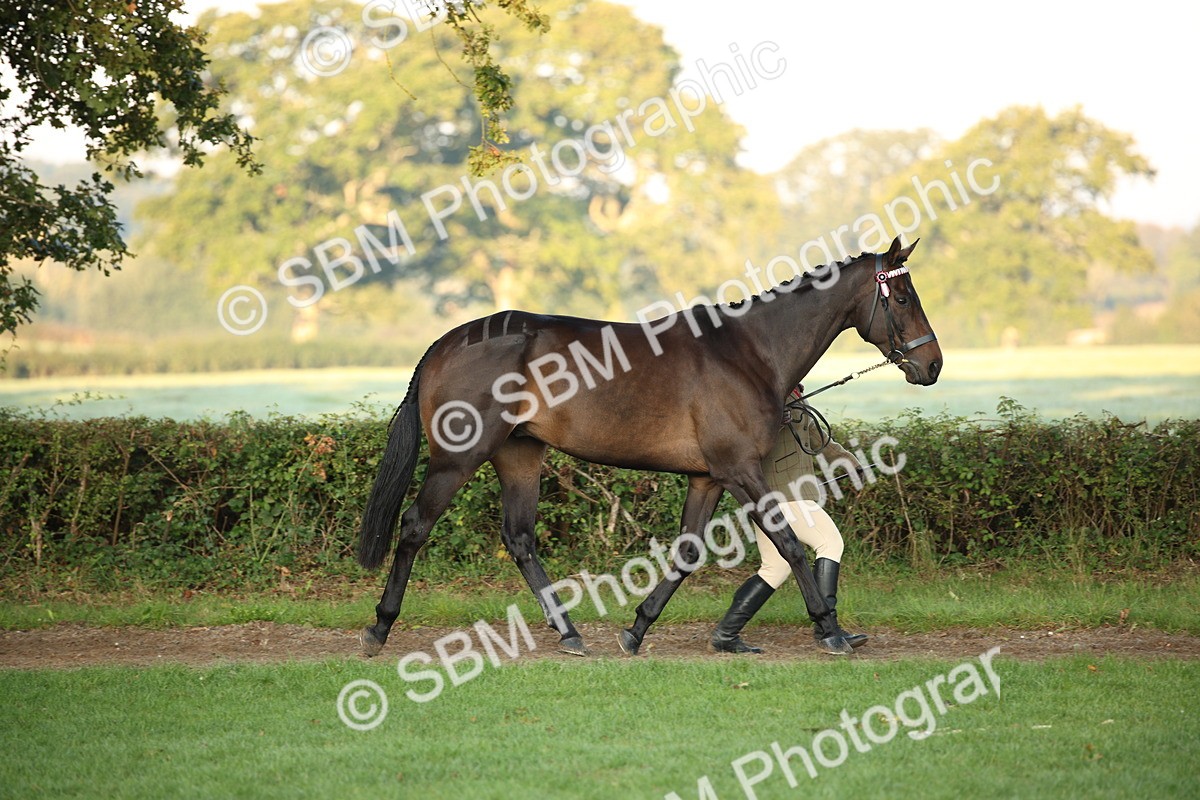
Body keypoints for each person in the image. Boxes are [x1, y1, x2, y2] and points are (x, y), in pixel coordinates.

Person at [711, 385, 868, 654]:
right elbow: (744, 438)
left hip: (784, 495)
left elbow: (817, 437)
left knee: (775, 568)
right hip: (782, 493)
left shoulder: (794, 392)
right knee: (830, 543)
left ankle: (726, 634)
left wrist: (847, 460)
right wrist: (773, 421)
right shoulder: (761, 392)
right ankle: (827, 630)